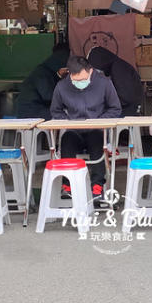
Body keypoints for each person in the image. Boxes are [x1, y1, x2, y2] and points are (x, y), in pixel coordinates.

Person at [50, 55, 122, 200]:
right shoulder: (62, 86)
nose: (80, 83)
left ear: (90, 71)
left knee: (97, 143)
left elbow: (115, 108)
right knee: (67, 141)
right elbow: (55, 110)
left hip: (96, 129)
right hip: (73, 130)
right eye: (76, 81)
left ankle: (97, 187)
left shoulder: (104, 83)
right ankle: (68, 185)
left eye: (83, 80)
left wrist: (99, 122)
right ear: (69, 74)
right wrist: (67, 122)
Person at [15, 43, 70, 119]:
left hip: (32, 109)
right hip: (31, 111)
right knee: (65, 115)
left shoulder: (44, 71)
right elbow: (48, 96)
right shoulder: (42, 74)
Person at [88, 46, 143, 117]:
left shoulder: (118, 69)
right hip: (129, 108)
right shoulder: (117, 65)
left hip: (126, 112)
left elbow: (126, 96)